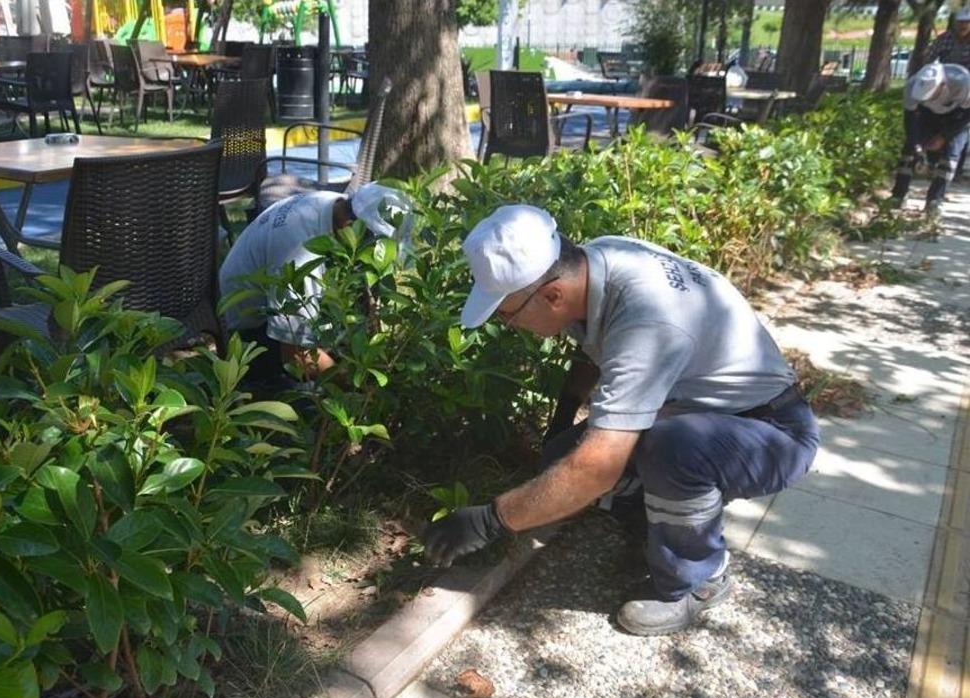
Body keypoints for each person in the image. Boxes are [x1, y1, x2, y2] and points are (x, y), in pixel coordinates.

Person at [421, 205, 820, 636]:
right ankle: (656, 524)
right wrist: (562, 419)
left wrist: (490, 520)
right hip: (700, 413)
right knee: (561, 457)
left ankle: (699, 578)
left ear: (551, 295)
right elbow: (592, 346)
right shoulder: (597, 262)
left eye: (508, 314)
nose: (510, 325)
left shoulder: (647, 321)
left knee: (670, 451)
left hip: (770, 433)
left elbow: (597, 469)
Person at [219, 183, 412, 383]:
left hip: (276, 302)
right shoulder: (301, 255)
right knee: (302, 396)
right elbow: (296, 357)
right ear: (349, 227)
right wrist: (358, 388)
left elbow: (366, 296)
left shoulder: (341, 207)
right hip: (249, 332)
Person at [890, 60, 970, 219]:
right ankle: (898, 195)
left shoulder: (963, 82)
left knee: (950, 157)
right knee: (909, 152)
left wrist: (944, 136)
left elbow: (966, 117)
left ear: (942, 84)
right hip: (927, 115)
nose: (929, 97)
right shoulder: (912, 86)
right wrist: (917, 145)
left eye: (931, 94)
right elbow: (910, 119)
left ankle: (935, 201)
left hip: (958, 115)